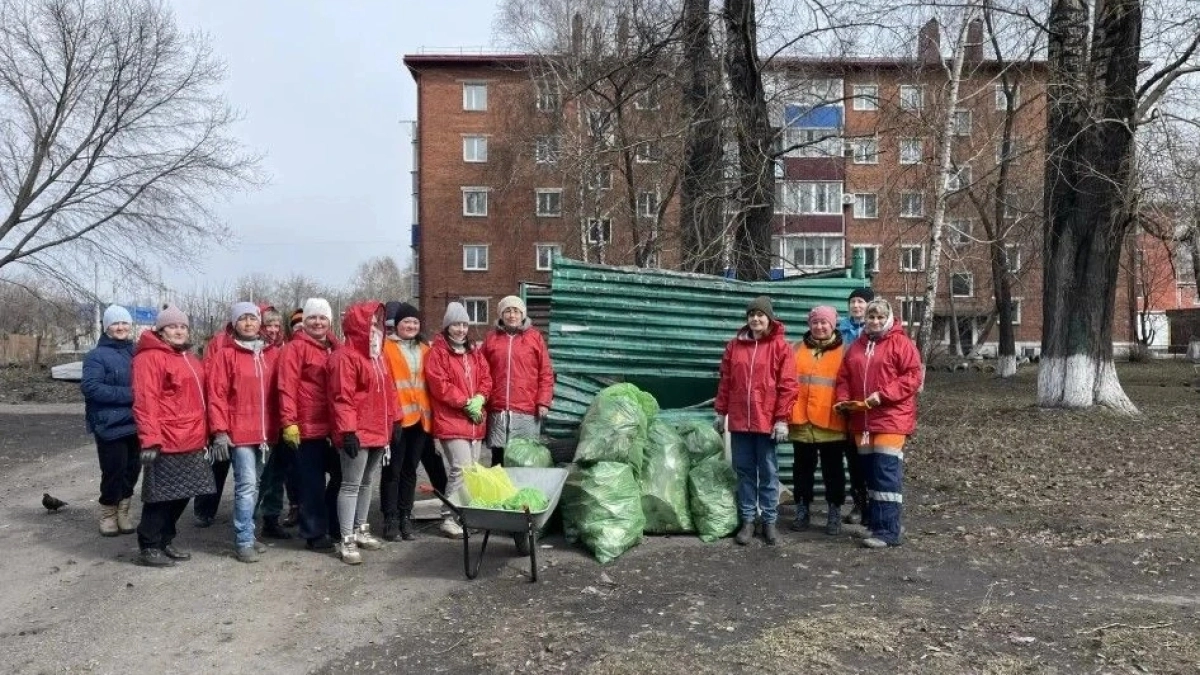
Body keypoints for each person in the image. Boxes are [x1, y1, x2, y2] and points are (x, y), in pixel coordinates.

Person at [132, 305, 216, 567]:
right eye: (173, 326)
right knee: (161, 495)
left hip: (192, 436)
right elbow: (145, 400)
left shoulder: (189, 357)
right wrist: (150, 439)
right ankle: (148, 544)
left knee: (185, 492)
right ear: (161, 330)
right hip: (166, 439)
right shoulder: (150, 358)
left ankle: (165, 539)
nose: (179, 331)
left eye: (183, 326)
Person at [835, 298, 922, 549]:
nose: (874, 321)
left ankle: (889, 532)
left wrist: (883, 395)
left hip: (890, 419)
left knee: (885, 474)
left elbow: (913, 377)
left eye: (879, 317)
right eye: (871, 317)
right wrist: (843, 400)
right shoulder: (857, 346)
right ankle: (877, 523)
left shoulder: (901, 343)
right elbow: (844, 378)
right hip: (862, 421)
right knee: (869, 474)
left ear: (889, 319)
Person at [714, 296, 798, 546]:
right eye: (751, 314)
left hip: (766, 421)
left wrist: (782, 418)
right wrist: (721, 411)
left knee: (769, 473)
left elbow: (788, 386)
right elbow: (726, 381)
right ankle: (748, 520)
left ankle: (770, 521)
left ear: (769, 318)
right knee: (745, 472)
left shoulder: (781, 348)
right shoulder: (734, 347)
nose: (755, 318)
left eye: (760, 314)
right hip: (740, 421)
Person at [207, 302, 278, 563]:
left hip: (267, 432)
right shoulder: (226, 355)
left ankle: (250, 531)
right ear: (234, 324)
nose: (248, 323)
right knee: (246, 486)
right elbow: (217, 395)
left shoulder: (272, 353)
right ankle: (243, 539)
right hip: (240, 432)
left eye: (253, 318)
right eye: (243, 319)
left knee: (257, 484)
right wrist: (220, 431)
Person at [327, 300, 395, 564]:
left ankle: (361, 528)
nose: (376, 327)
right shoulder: (345, 357)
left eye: (378, 323)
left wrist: (394, 421)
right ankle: (346, 538)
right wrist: (347, 431)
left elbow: (389, 392)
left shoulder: (378, 356)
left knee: (367, 482)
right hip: (357, 431)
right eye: (370, 323)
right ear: (358, 326)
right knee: (350, 484)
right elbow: (341, 397)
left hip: (378, 428)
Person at [278, 298, 342, 551]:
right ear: (304, 323)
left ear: (329, 321)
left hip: (333, 425)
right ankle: (314, 532)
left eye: (322, 318)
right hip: (306, 427)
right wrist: (288, 422)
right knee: (311, 483)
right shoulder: (294, 349)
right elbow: (286, 387)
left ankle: (333, 523)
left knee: (341, 477)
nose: (317, 322)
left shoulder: (336, 348)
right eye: (312, 318)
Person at [425, 301, 492, 539]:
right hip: (451, 420)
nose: (461, 329)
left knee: (471, 471)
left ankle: (464, 516)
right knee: (460, 468)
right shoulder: (438, 352)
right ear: (447, 326)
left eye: (464, 324)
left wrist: (481, 398)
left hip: (474, 420)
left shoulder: (474, 352)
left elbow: (486, 377)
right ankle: (448, 517)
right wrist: (465, 402)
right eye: (456, 325)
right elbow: (440, 385)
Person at [788, 305, 851, 536]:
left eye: (824, 322)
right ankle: (802, 510)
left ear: (833, 324)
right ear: (809, 325)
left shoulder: (845, 352)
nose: (819, 326)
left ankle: (834, 512)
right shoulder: (795, 348)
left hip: (831, 421)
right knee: (801, 470)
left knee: (832, 470)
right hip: (801, 421)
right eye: (815, 322)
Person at [378, 301, 437, 541]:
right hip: (398, 419)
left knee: (410, 470)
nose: (411, 326)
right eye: (406, 322)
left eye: (414, 322)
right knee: (392, 469)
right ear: (397, 325)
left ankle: (405, 515)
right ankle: (390, 518)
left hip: (421, 419)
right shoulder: (385, 348)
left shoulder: (424, 349)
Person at [81, 305, 140, 537]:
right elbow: (91, 387)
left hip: (136, 422)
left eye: (124, 323)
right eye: (115, 323)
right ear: (106, 327)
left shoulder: (136, 352)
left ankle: (123, 511)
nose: (121, 327)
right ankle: (108, 514)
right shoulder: (96, 356)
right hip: (109, 424)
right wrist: (132, 394)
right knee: (114, 471)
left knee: (132, 470)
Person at [481, 295, 554, 466]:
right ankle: (499, 492)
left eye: (516, 311)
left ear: (523, 314)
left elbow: (546, 372)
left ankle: (522, 491)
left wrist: (543, 401)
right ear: (501, 314)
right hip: (497, 408)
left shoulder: (534, 338)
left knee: (523, 458)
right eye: (507, 311)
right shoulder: (491, 338)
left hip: (526, 409)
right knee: (498, 458)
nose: (512, 315)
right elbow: (481, 371)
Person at [254, 303, 297, 538]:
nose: (272, 329)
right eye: (268, 325)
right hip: (262, 422)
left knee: (279, 473)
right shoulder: (257, 351)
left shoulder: (285, 349)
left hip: (284, 421)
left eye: (276, 325)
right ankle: (250, 521)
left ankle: (271, 518)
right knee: (261, 475)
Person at [836, 287, 873, 526]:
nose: (857, 306)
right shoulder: (841, 331)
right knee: (851, 456)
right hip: (845, 401)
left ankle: (874, 504)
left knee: (869, 456)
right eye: (853, 302)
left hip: (871, 404)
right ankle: (858, 502)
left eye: (861, 302)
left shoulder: (876, 331)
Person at [193, 319, 235, 528]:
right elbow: (211, 380)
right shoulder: (220, 343)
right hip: (219, 415)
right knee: (217, 465)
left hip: (243, 417)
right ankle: (204, 509)